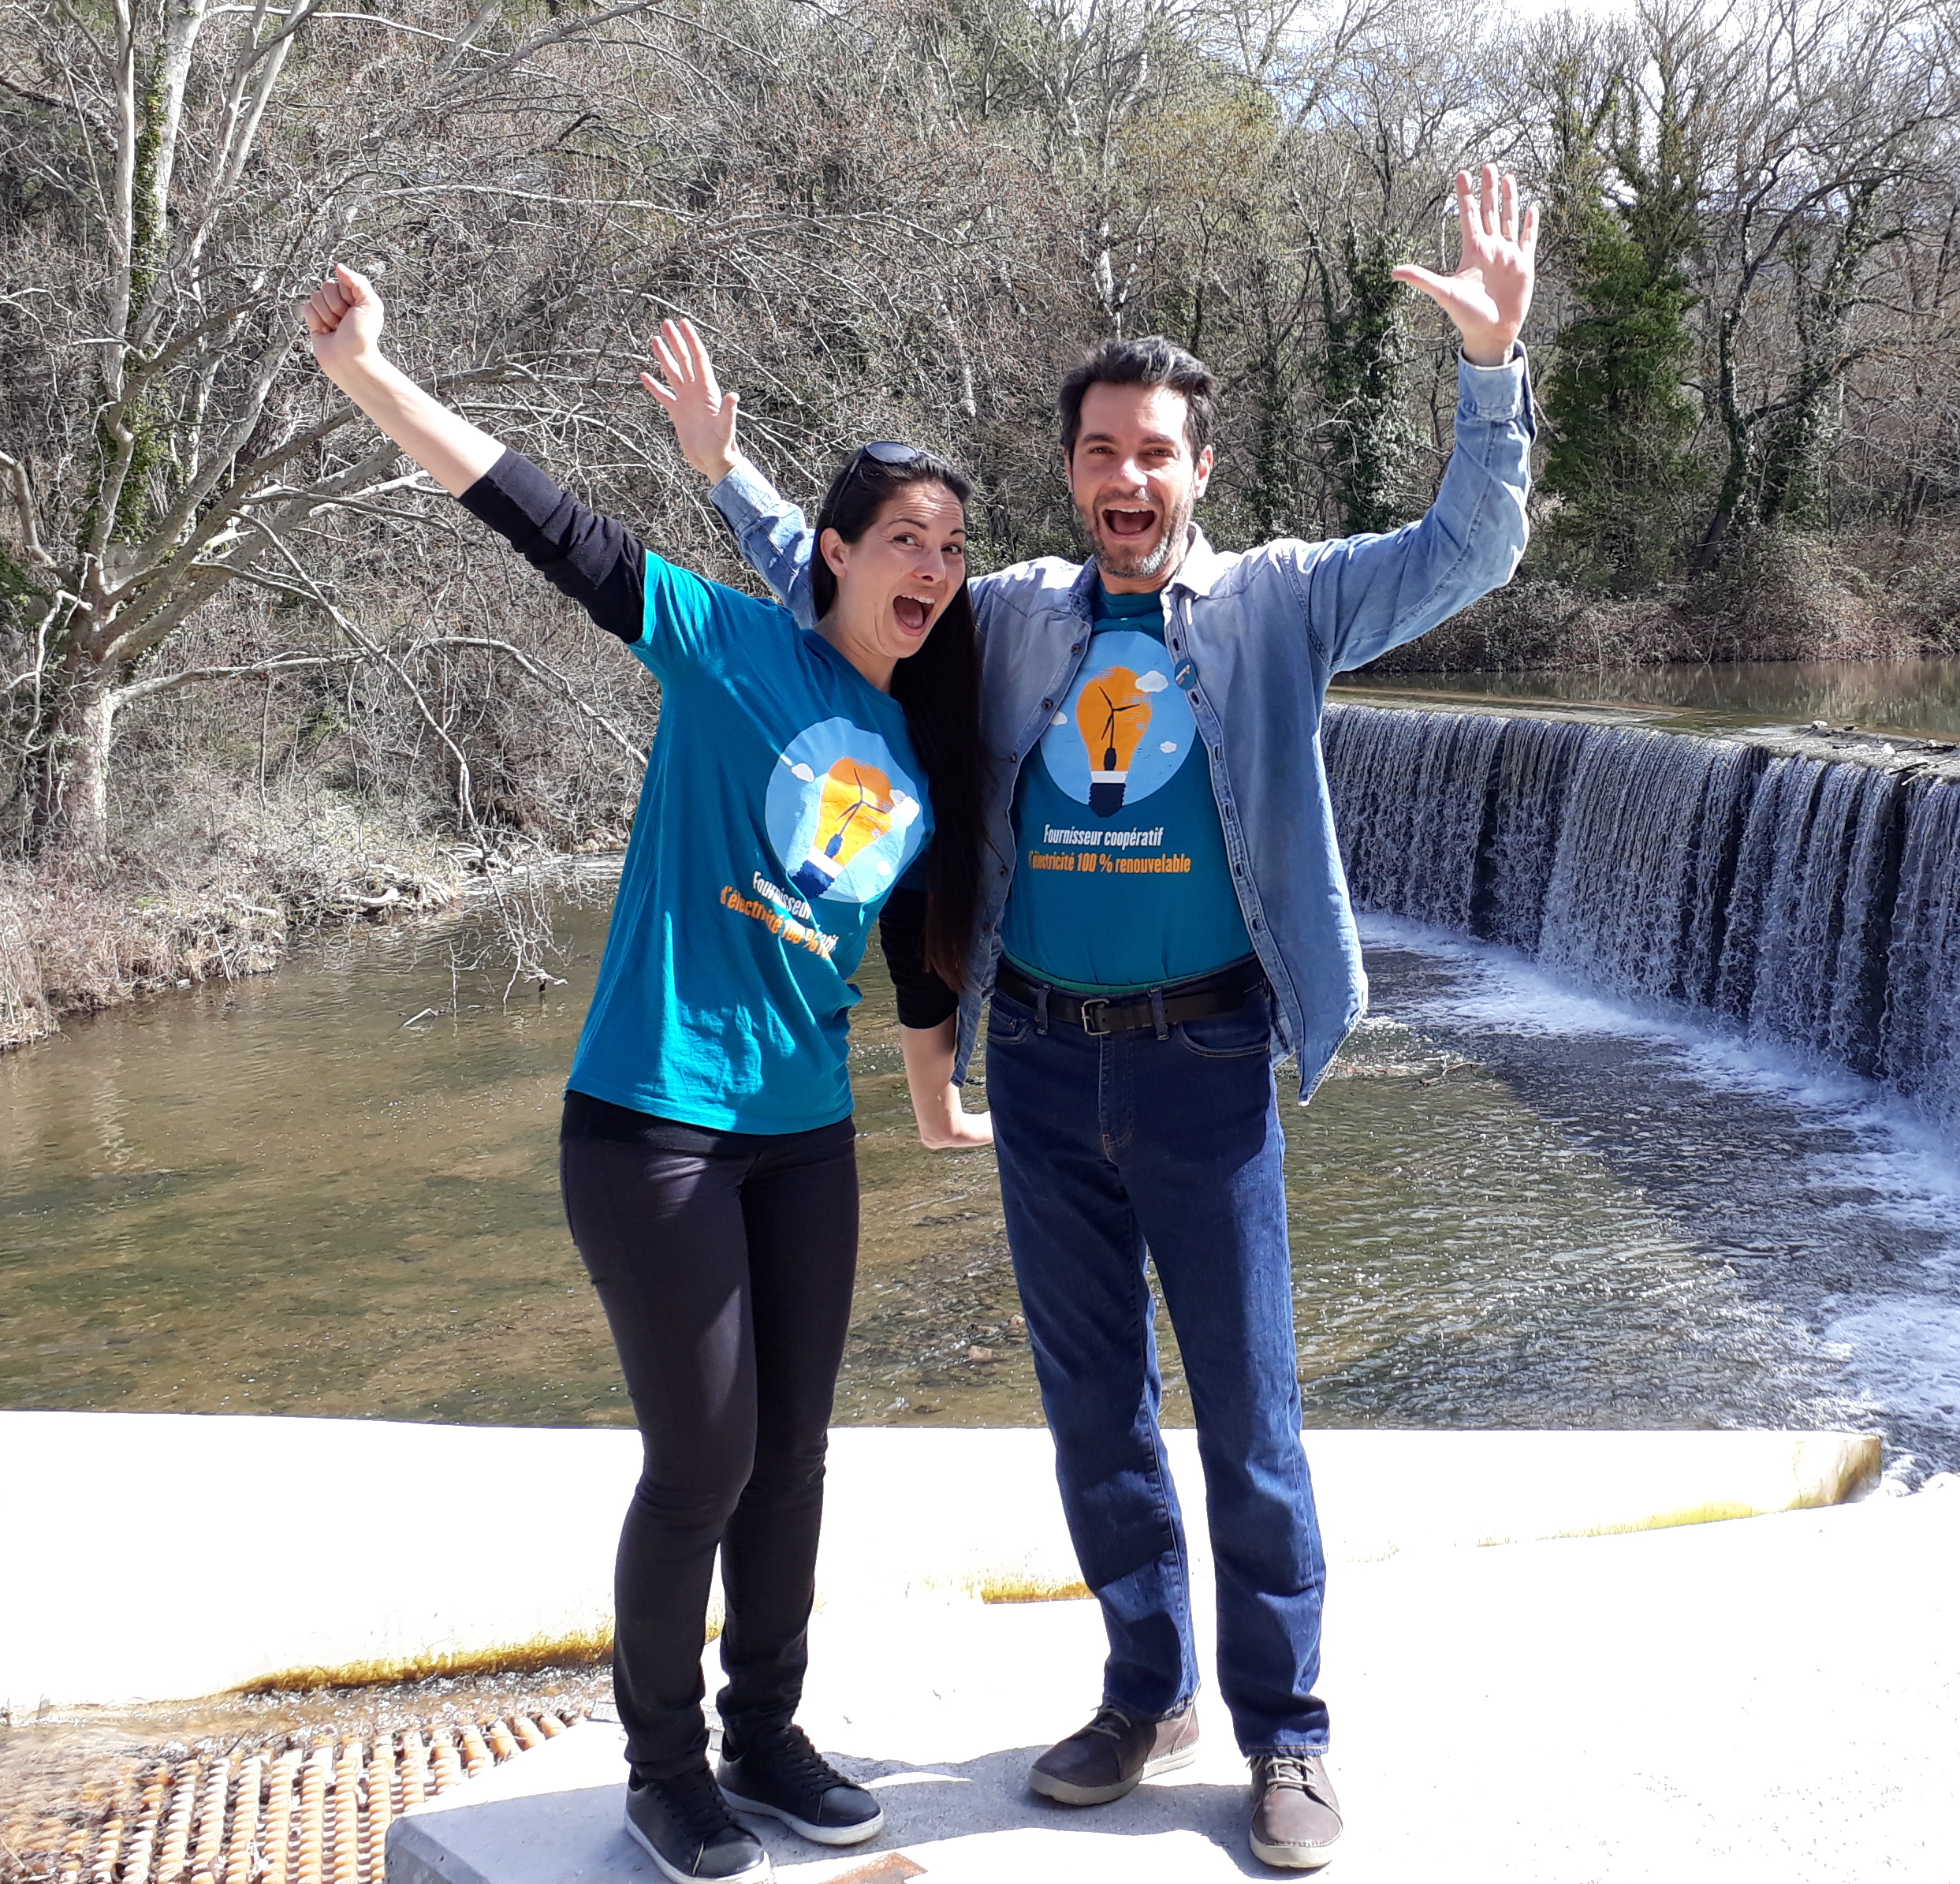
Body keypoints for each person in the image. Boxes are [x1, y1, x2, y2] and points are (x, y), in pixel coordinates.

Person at [646, 165, 1539, 1872]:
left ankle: (1289, 1733)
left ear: (1203, 471)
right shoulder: (1013, 618)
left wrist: (1493, 374)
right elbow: (840, 590)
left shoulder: (1281, 600)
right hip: (1045, 1062)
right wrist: (728, 476)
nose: (1129, 479)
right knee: (1094, 1407)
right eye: (1102, 451)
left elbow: (1469, 548)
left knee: (1252, 1416)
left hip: (1207, 1061)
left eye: (1159, 452)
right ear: (1072, 469)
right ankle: (1150, 1688)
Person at [303, 266, 989, 1884]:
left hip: (803, 1139)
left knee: (797, 1454)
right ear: (831, 551)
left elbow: (915, 962)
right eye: (907, 541)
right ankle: (664, 1767)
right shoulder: (725, 644)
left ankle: (766, 1738)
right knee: (705, 1459)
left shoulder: (919, 750)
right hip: (653, 1124)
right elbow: (534, 515)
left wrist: (934, 1103)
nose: (937, 572)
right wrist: (370, 379)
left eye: (953, 552)